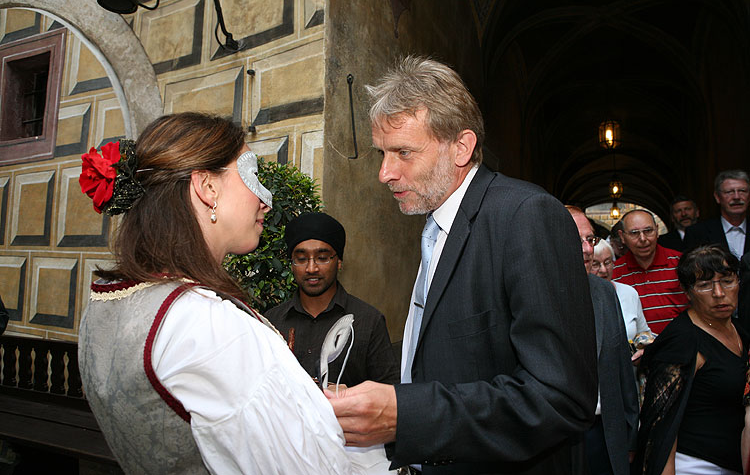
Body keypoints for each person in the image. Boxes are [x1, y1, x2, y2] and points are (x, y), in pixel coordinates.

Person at [327, 56, 597, 474]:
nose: (384, 173)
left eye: (403, 152)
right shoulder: (436, 223)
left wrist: (406, 414)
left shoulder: (526, 216)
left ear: (461, 147)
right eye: (382, 153)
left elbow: (561, 397)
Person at [77, 113, 373, 474]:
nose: (265, 201)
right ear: (207, 188)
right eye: (251, 175)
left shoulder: (104, 303)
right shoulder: (207, 325)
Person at [633, 245, 748, 475]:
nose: (718, 293)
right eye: (705, 285)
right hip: (696, 465)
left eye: (727, 281)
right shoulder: (682, 340)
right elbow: (661, 422)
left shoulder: (740, 330)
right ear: (687, 292)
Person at [265, 212, 400, 387]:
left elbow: (390, 393)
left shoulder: (368, 321)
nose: (311, 268)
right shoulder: (271, 322)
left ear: (339, 262)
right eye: (301, 259)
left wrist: (349, 397)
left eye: (322, 258)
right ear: (292, 264)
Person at [567, 206, 638, 475]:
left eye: (591, 239)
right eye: (577, 240)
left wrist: (630, 434)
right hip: (554, 437)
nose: (587, 249)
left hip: (604, 433)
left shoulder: (604, 292)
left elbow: (622, 366)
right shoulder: (529, 290)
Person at [612, 209, 689, 334]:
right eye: (634, 233)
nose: (643, 239)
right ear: (622, 237)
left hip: (680, 345)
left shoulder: (681, 263)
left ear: (657, 230)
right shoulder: (614, 272)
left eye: (648, 231)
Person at [591, 239, 654, 351]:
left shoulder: (629, 293)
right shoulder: (580, 297)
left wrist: (642, 348)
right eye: (595, 264)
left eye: (607, 262)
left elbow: (643, 333)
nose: (604, 270)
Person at [684, 170, 750, 260]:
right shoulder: (697, 233)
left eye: (742, 191)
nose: (736, 197)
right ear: (717, 197)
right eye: (729, 192)